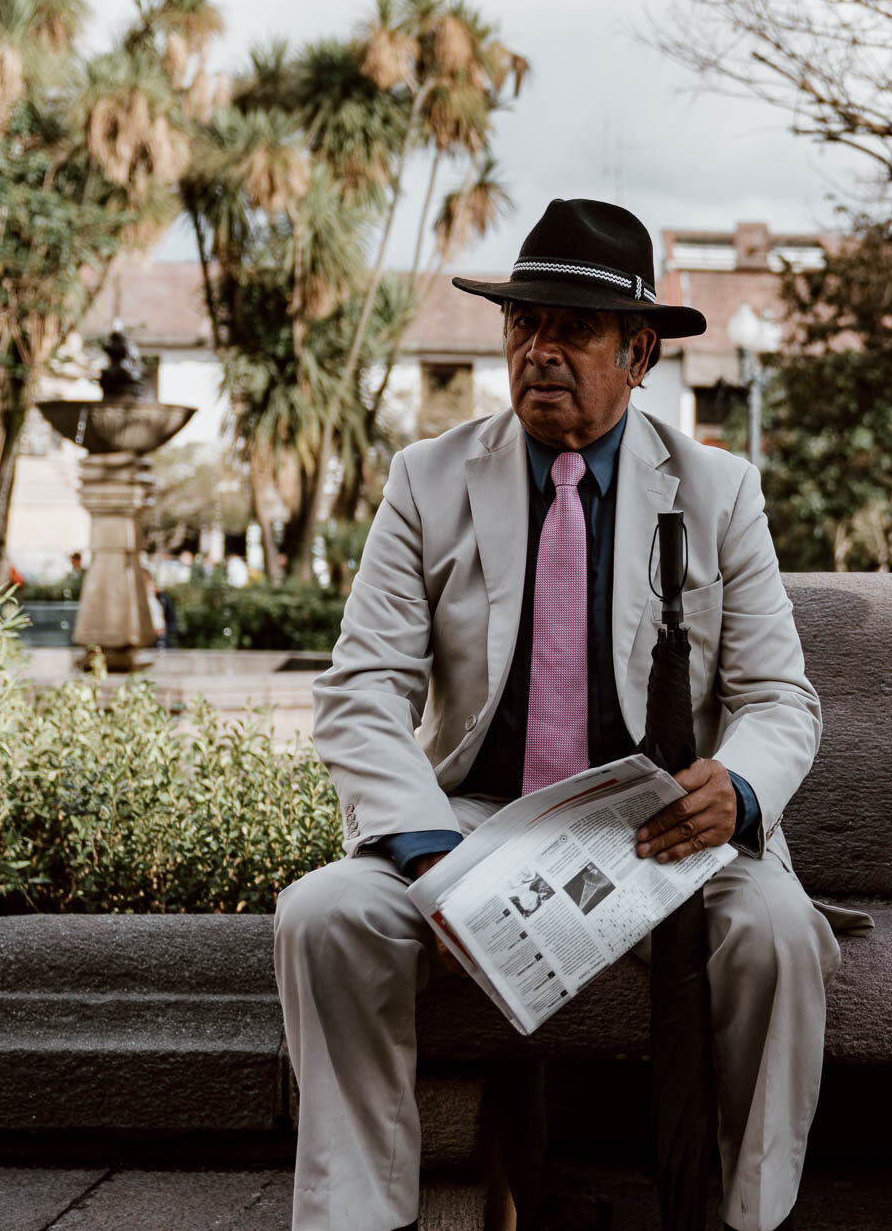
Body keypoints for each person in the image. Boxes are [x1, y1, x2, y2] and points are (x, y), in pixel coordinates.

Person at [275, 199, 861, 1231]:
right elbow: (363, 688)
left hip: (660, 832)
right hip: (472, 822)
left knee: (780, 936)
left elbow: (778, 697)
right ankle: (361, 1218)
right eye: (522, 324)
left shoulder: (720, 491)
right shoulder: (428, 479)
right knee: (322, 916)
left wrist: (740, 787)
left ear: (639, 351)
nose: (539, 350)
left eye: (573, 329)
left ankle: (748, 1218)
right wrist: (425, 853)